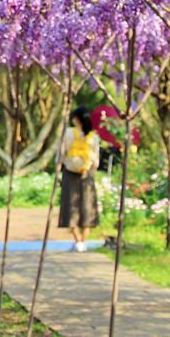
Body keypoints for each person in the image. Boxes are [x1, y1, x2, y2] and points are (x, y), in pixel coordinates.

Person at [58, 106, 100, 252]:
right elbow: (96, 161)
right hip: (87, 174)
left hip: (70, 174)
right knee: (87, 207)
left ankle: (77, 241)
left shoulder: (68, 133)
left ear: (76, 119)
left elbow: (61, 153)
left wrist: (58, 169)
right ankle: (83, 241)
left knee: (70, 206)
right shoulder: (93, 137)